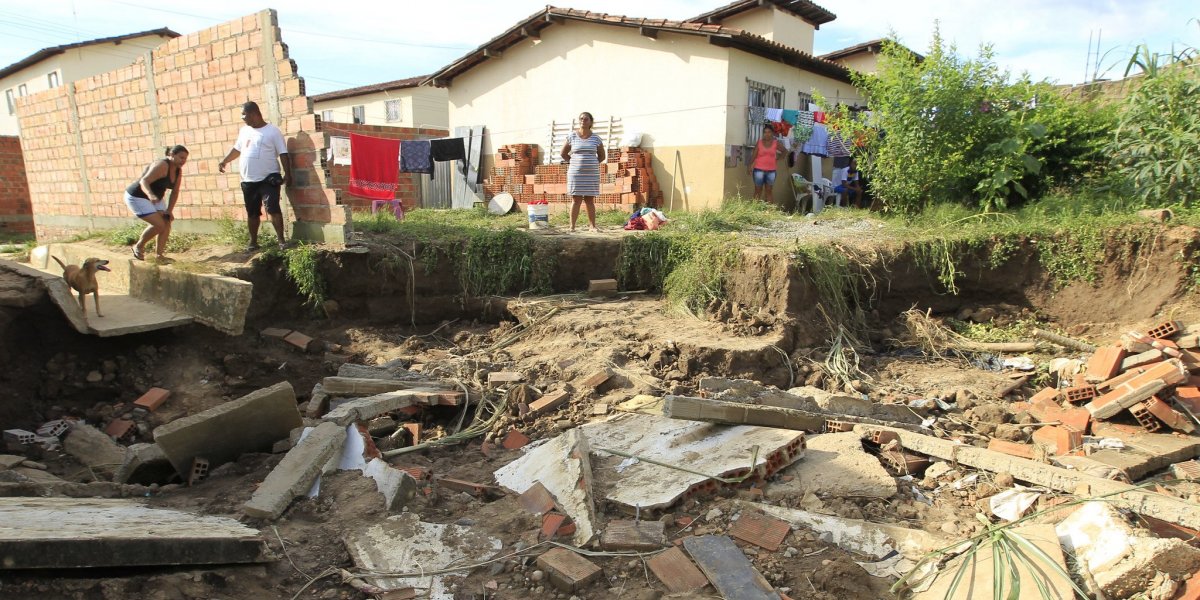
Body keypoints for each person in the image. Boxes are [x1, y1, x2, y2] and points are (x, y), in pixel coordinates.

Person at [218, 101, 292, 251]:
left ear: (254, 114)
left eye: (244, 114)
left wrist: (288, 174)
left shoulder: (273, 131)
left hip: (268, 178)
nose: (242, 118)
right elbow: (237, 149)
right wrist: (225, 161)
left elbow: (283, 153)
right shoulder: (244, 131)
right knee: (252, 213)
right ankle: (253, 242)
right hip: (248, 180)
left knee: (273, 209)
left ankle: (281, 241)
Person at [124, 145, 188, 261]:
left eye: (185, 159)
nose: (183, 161)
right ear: (172, 155)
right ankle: (138, 246)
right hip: (138, 196)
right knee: (159, 224)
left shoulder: (178, 171)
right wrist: (150, 195)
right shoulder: (162, 165)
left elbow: (175, 192)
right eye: (181, 157)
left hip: (155, 197)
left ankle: (159, 256)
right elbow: (144, 181)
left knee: (166, 222)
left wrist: (169, 210)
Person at [560, 111, 605, 232]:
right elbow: (563, 153)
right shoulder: (572, 137)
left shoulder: (596, 138)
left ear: (590, 122)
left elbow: (602, 156)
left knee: (590, 200)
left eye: (586, 119)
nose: (583, 121)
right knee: (576, 200)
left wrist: (591, 164)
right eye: (581, 119)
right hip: (576, 174)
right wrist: (574, 162)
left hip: (591, 174)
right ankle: (572, 226)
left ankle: (592, 226)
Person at [748, 123, 784, 203]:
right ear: (763, 133)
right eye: (765, 132)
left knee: (769, 191)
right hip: (758, 171)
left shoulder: (775, 143)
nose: (767, 134)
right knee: (758, 190)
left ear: (772, 133)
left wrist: (778, 158)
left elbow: (785, 151)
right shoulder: (759, 143)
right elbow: (754, 155)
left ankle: (769, 212)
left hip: (771, 171)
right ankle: (754, 210)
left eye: (769, 132)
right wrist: (749, 165)